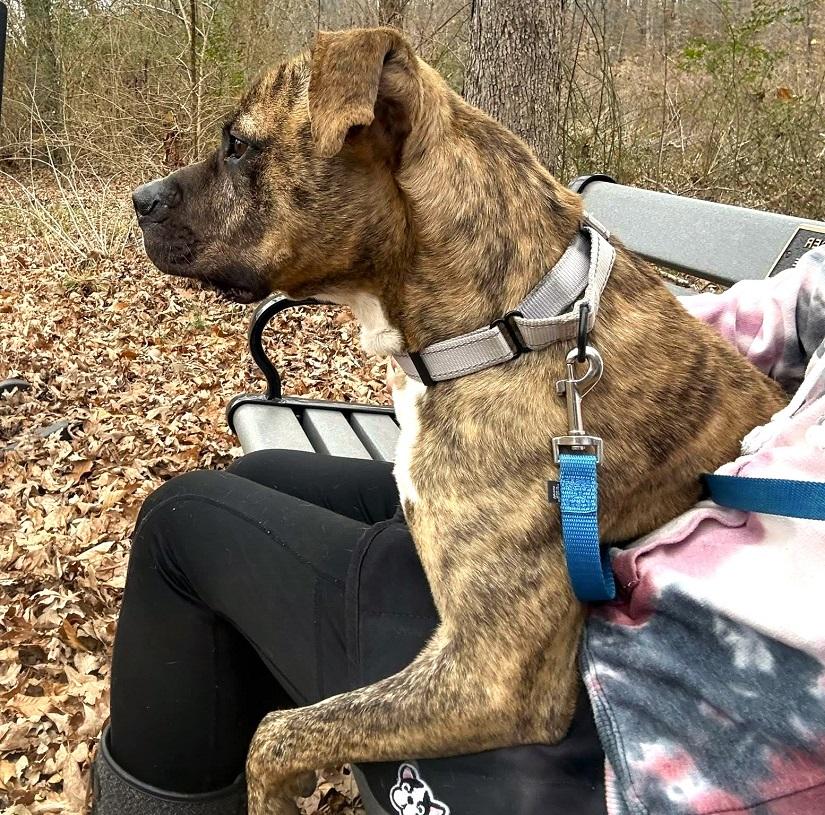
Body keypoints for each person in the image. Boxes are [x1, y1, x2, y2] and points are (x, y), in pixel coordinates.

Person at [90, 248, 825, 815]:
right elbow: (781, 316)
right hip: (641, 577)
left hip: (659, 729)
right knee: (265, 477)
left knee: (182, 528)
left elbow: (515, 692)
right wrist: (540, 322)